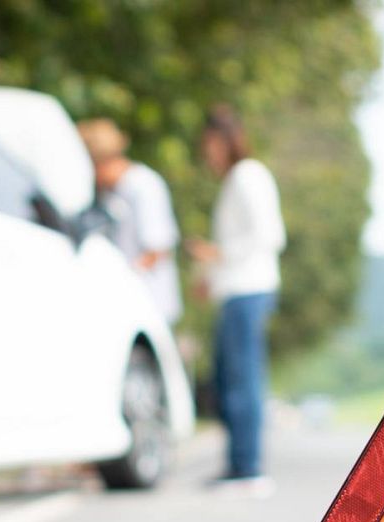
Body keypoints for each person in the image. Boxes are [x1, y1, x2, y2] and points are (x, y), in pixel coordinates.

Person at [186, 104, 286, 495]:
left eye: (208, 145)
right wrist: (211, 275)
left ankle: (248, 468)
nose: (206, 155)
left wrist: (217, 256)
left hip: (249, 289)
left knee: (243, 379)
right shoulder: (235, 181)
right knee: (229, 379)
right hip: (233, 289)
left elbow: (268, 235)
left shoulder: (249, 176)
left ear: (222, 140)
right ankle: (237, 465)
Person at [76, 118, 183, 325]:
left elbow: (157, 248)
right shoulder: (111, 192)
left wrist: (123, 279)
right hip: (127, 305)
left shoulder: (143, 185)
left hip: (150, 304)